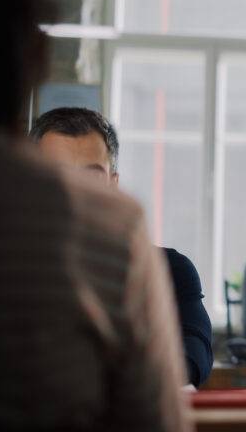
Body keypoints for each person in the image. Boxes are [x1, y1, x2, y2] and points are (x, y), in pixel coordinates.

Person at [0, 0, 190, 431]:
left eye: (88, 177)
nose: (71, 191)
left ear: (114, 177)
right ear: (30, 52)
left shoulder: (150, 256)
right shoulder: (106, 232)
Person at [31, 107, 215, 388]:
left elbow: (193, 353)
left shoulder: (168, 269)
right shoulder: (6, 270)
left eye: (92, 177)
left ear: (113, 185)